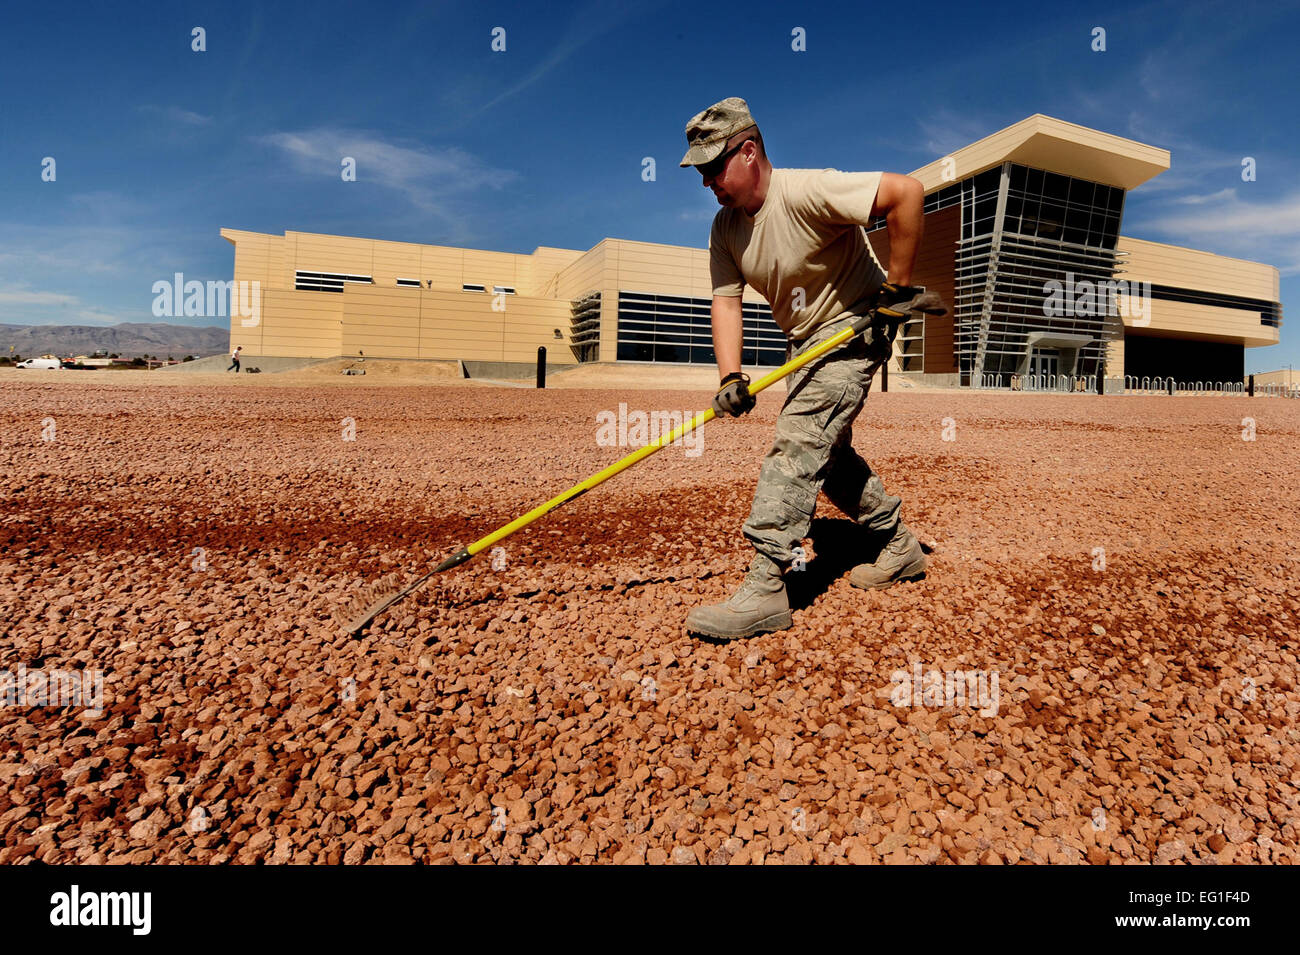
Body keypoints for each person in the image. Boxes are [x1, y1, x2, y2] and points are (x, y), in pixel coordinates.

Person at [679, 97, 929, 641]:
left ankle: (767, 587)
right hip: (804, 345)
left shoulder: (807, 190)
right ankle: (899, 546)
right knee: (829, 458)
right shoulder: (724, 228)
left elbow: (907, 194)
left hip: (853, 330)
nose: (707, 182)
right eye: (700, 172)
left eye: (713, 167)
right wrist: (730, 376)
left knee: (798, 443)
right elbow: (727, 301)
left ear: (749, 152)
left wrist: (898, 291)